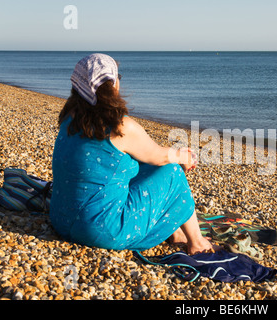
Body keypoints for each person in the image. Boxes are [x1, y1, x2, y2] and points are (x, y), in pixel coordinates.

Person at [50, 53, 215, 255]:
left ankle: (176, 233)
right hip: (99, 231)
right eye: (118, 78)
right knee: (173, 173)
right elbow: (160, 156)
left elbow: (145, 157)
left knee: (140, 166)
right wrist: (183, 156)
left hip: (62, 220)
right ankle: (197, 242)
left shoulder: (69, 118)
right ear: (112, 85)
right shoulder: (119, 126)